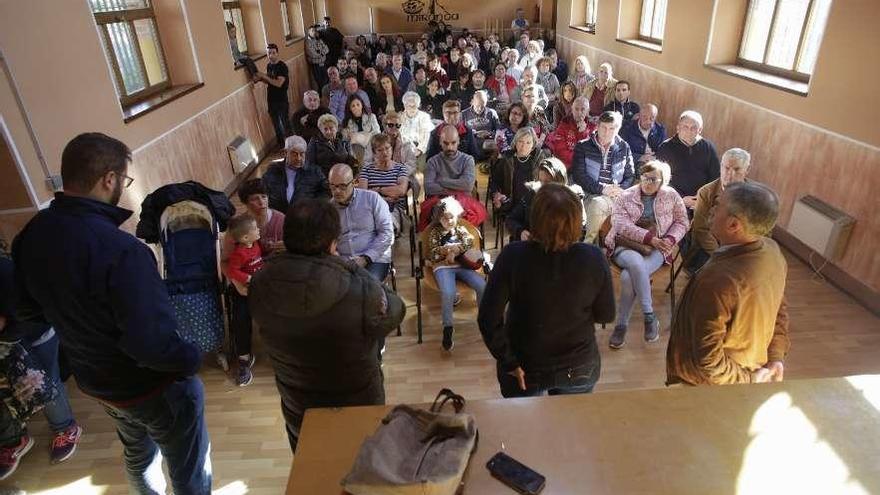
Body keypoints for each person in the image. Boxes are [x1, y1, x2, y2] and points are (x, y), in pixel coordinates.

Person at [12, 133, 210, 494]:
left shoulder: (31, 234)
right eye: (123, 180)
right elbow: (151, 345)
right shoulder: (123, 251)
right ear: (108, 179)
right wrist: (191, 358)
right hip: (151, 387)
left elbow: (27, 312)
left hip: (96, 383)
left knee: (138, 457)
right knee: (189, 472)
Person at [249, 198, 405, 452]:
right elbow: (395, 311)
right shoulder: (358, 286)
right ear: (334, 243)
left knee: (312, 469)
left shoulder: (260, 282)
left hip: (299, 405)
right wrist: (350, 266)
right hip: (357, 403)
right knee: (361, 466)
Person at [479, 183, 614, 397]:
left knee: (526, 429)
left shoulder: (512, 256)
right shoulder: (594, 257)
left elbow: (488, 318)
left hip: (523, 366)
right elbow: (606, 314)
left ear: (534, 218)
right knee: (569, 429)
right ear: (578, 219)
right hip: (579, 366)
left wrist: (508, 362)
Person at [666, 182, 790, 386]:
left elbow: (709, 361)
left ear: (733, 225)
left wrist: (749, 379)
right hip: (747, 373)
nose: (711, 210)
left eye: (718, 206)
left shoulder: (717, 282)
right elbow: (780, 311)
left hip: (704, 386)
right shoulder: (772, 251)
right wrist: (776, 357)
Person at [0, 254, 82, 479]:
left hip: (35, 335)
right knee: (7, 392)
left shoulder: (5, 270)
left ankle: (65, 428)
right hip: (9, 342)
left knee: (47, 384)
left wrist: (6, 328)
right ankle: (15, 439)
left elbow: (30, 312)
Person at [604, 161, 689, 349]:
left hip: (658, 248)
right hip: (625, 246)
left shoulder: (671, 196)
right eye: (644, 177)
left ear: (663, 181)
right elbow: (620, 225)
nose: (647, 182)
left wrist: (670, 239)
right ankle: (649, 316)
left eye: (653, 179)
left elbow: (682, 222)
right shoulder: (626, 196)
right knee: (634, 262)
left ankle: (621, 325)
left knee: (628, 276)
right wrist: (650, 238)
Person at [425, 197, 486, 351]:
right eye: (445, 217)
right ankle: (448, 327)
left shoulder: (460, 229)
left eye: (452, 217)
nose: (449, 220)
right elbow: (432, 254)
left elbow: (469, 242)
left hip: (463, 265)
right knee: (448, 292)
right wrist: (447, 251)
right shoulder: (434, 232)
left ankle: (485, 320)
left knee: (482, 285)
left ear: (457, 215)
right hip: (443, 267)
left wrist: (455, 250)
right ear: (439, 218)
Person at [571, 111, 636, 243]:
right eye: (603, 127)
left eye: (612, 128)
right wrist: (602, 189)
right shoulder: (583, 146)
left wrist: (621, 190)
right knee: (596, 204)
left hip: (616, 196)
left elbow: (630, 175)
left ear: (618, 129)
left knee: (599, 206)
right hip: (588, 193)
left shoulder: (624, 147)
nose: (607, 132)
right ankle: (590, 245)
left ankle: (588, 245)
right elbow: (579, 175)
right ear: (597, 127)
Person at [688, 148, 752, 273]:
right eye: (726, 168)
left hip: (741, 246)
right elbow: (701, 230)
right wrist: (721, 254)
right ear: (720, 167)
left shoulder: (755, 194)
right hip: (712, 247)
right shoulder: (706, 192)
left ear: (747, 170)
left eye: (737, 169)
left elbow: (761, 229)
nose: (730, 174)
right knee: (719, 274)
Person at [328, 164, 394, 282]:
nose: (337, 191)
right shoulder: (329, 209)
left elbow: (387, 233)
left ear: (354, 182)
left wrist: (366, 258)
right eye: (333, 186)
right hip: (343, 261)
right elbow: (327, 240)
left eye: (342, 186)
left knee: (366, 286)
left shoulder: (372, 199)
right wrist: (337, 257)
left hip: (374, 259)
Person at [222, 213, 265, 386]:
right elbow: (233, 271)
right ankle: (244, 358)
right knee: (241, 317)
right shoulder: (238, 253)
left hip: (260, 286)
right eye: (255, 228)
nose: (259, 229)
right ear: (246, 236)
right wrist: (247, 280)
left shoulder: (255, 244)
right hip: (243, 289)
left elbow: (259, 261)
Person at [506, 157, 585, 242]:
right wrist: (520, 232)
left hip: (562, 248)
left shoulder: (573, 200)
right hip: (533, 246)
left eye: (547, 182)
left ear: (560, 181)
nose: (543, 186)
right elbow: (511, 219)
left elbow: (581, 228)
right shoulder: (533, 195)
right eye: (541, 181)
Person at [657, 110, 720, 209]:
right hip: (672, 200)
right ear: (678, 128)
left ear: (700, 130)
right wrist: (680, 199)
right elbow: (660, 179)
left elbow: (715, 177)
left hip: (702, 201)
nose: (689, 131)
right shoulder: (665, 147)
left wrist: (702, 198)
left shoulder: (708, 148)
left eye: (693, 128)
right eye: (685, 127)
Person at [359, 133, 411, 233]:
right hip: (372, 209)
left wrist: (378, 190)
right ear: (374, 153)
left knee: (387, 222)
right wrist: (384, 199)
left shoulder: (401, 168)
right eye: (380, 150)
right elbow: (363, 195)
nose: (385, 153)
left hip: (394, 208)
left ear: (392, 149)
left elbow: (401, 191)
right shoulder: (366, 170)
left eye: (387, 148)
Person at [491, 127, 547, 216]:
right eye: (520, 141)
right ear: (515, 142)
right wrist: (497, 194)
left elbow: (547, 183)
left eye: (528, 143)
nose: (523, 146)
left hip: (534, 204)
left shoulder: (539, 160)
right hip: (512, 204)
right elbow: (495, 182)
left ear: (533, 146)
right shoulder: (506, 159)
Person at [263, 135, 329, 213]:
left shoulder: (314, 171)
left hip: (306, 217)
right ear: (285, 153)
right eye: (294, 154)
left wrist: (314, 207)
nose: (298, 158)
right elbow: (263, 190)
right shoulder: (273, 170)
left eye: (302, 154)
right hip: (279, 216)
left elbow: (326, 191)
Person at [228, 178, 286, 256]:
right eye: (255, 199)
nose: (261, 202)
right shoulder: (238, 224)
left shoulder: (281, 219)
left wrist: (287, 246)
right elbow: (227, 258)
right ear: (245, 202)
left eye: (264, 197)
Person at [252, 43, 290, 146]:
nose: (271, 55)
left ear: (277, 53)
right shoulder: (269, 66)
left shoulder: (282, 67)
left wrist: (264, 76)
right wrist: (260, 79)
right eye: (269, 53)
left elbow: (278, 83)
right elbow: (270, 81)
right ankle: (281, 145)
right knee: (276, 124)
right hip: (271, 99)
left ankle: (291, 144)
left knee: (285, 123)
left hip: (281, 99)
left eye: (273, 53)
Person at [545, 96, 595, 169]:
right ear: (572, 109)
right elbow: (560, 151)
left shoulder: (592, 126)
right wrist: (579, 160)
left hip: (585, 168)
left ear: (588, 111)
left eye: (583, 109)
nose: (579, 113)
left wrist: (583, 133)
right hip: (566, 167)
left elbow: (590, 152)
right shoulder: (564, 124)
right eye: (576, 109)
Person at [341, 94, 381, 165]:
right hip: (356, 151)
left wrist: (366, 135)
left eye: (358, 104)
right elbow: (345, 138)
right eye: (353, 106)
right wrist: (348, 135)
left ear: (362, 105)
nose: (356, 107)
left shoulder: (371, 117)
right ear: (349, 108)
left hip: (371, 147)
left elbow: (377, 132)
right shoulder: (346, 122)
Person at [461, 90, 501, 162]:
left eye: (482, 106)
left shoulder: (491, 113)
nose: (480, 109)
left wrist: (489, 134)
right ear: (472, 102)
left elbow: (500, 132)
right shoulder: (464, 114)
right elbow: (460, 133)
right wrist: (474, 133)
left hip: (489, 148)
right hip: (471, 147)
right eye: (477, 106)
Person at [399, 91, 434, 157]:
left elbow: (426, 137)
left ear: (418, 105)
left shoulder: (424, 117)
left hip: (419, 152)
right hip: (402, 151)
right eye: (409, 106)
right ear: (405, 106)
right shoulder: (400, 117)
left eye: (414, 106)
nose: (412, 108)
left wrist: (419, 150)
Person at [305, 25, 329, 90]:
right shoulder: (308, 42)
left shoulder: (319, 40)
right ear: (308, 32)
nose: (314, 32)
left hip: (323, 63)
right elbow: (312, 54)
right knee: (320, 82)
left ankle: (326, 94)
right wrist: (322, 53)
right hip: (316, 65)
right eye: (312, 31)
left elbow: (327, 49)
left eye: (315, 31)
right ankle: (321, 96)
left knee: (326, 80)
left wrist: (321, 53)